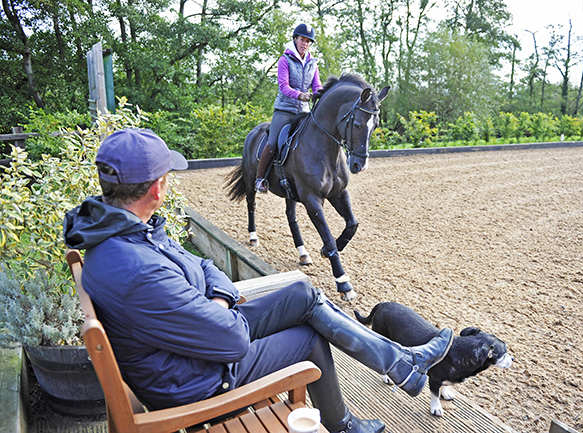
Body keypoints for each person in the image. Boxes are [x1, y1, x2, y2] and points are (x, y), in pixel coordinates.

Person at [63, 129, 454, 433]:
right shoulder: (137, 268)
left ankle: (402, 364)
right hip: (194, 379)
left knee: (302, 292)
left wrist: (216, 293)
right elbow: (230, 340)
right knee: (308, 337)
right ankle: (347, 422)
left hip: (186, 344)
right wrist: (220, 302)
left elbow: (201, 266)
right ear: (156, 188)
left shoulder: (123, 232)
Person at [255, 23, 323, 193]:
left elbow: (317, 86)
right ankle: (260, 178)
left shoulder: (313, 63)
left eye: (308, 41)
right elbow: (283, 86)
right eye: (302, 39)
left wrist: (323, 95)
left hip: (303, 111)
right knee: (273, 143)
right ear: (295, 39)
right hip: (284, 110)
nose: (305, 43)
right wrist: (300, 95)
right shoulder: (284, 60)